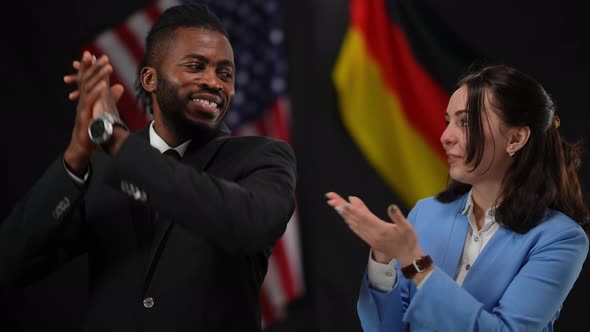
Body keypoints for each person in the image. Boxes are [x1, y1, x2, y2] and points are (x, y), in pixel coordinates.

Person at [0, 4, 296, 332]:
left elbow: (248, 224)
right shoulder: (102, 170)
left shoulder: (262, 157)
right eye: (196, 66)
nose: (214, 82)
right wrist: (75, 156)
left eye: (225, 73)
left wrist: (114, 140)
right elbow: (11, 264)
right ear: (150, 78)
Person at [326, 64, 589, 331]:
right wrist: (382, 258)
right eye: (447, 121)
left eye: (465, 122)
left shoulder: (560, 237)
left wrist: (415, 262)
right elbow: (387, 328)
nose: (445, 136)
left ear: (516, 138)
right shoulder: (426, 212)